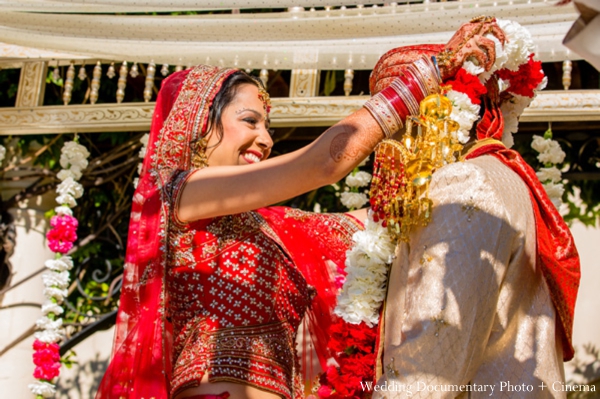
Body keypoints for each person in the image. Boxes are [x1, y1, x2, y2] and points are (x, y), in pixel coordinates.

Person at [93, 38, 472, 397]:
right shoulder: (182, 195)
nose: (266, 139)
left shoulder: (274, 226)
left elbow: (385, 220)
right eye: (250, 121)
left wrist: (454, 121)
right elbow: (323, 163)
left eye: (267, 126)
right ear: (199, 123)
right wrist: (423, 77)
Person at [366, 18, 581, 398]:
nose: (387, 146)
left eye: (397, 124)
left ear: (435, 114)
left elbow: (432, 361)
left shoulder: (465, 185)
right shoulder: (501, 177)